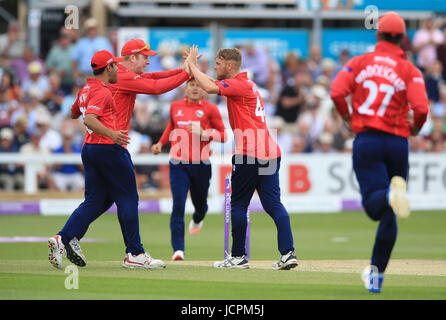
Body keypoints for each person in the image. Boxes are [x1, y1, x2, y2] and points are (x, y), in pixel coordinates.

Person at [330, 11, 429, 293]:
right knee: (390, 214)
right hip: (397, 143)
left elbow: (337, 93)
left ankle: (387, 195)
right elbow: (421, 108)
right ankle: (376, 274)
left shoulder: (359, 62)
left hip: (368, 139)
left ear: (378, 35)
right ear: (403, 39)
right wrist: (416, 129)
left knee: (377, 208)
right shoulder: (409, 69)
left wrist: (348, 118)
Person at [47, 50, 166, 270]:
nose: (118, 70)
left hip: (90, 149)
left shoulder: (86, 88)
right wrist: (112, 133)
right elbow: (89, 119)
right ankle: (135, 253)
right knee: (128, 197)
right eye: (115, 66)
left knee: (97, 200)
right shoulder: (103, 91)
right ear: (109, 67)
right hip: (108, 148)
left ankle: (63, 239)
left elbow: (75, 113)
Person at [186, 46, 298, 270]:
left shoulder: (237, 84)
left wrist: (191, 66)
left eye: (217, 64)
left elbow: (208, 86)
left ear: (229, 65)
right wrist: (195, 69)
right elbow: (213, 83)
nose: (215, 67)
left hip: (250, 153)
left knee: (238, 204)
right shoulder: (247, 83)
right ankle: (288, 253)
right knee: (273, 204)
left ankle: (238, 257)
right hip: (270, 151)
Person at [151, 78, 226, 261]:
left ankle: (199, 217)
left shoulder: (210, 109)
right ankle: (178, 249)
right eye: (191, 85)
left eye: (198, 85)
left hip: (201, 165)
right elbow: (171, 126)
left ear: (204, 90)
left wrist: (204, 133)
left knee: (200, 205)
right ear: (186, 88)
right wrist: (161, 143)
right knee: (178, 205)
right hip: (178, 164)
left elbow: (223, 135)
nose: (195, 88)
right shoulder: (175, 106)